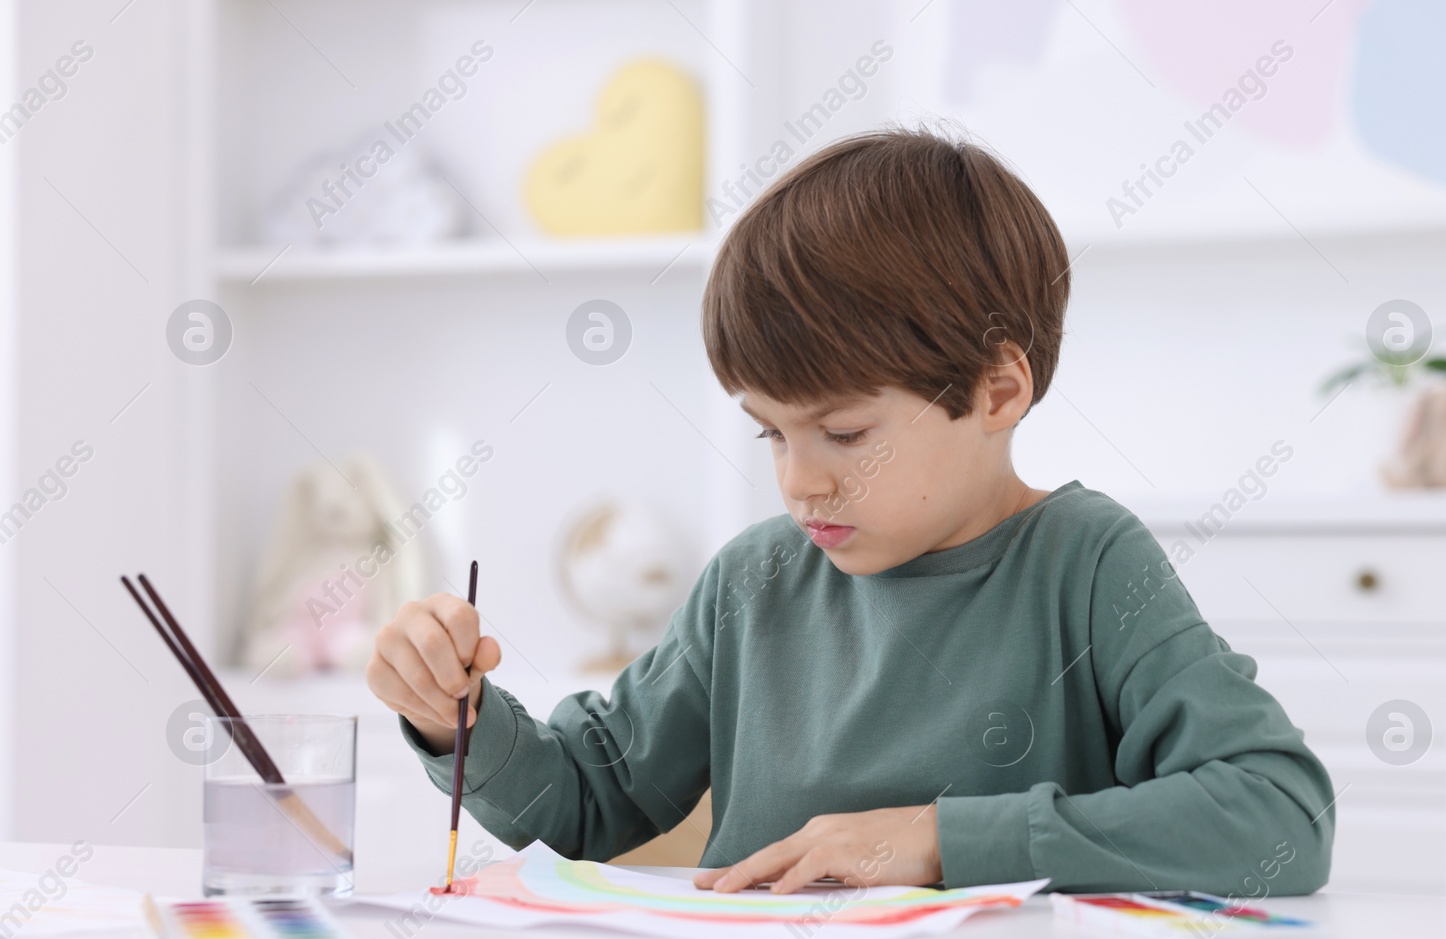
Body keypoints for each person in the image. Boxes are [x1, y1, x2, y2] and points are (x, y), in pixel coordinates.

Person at [366, 128, 1335, 896]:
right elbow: (585, 800)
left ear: (998, 390)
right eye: (770, 435)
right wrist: (459, 721)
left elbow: (1277, 813)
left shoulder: (1085, 564)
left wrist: (937, 838)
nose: (799, 483)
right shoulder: (754, 581)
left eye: (843, 432)